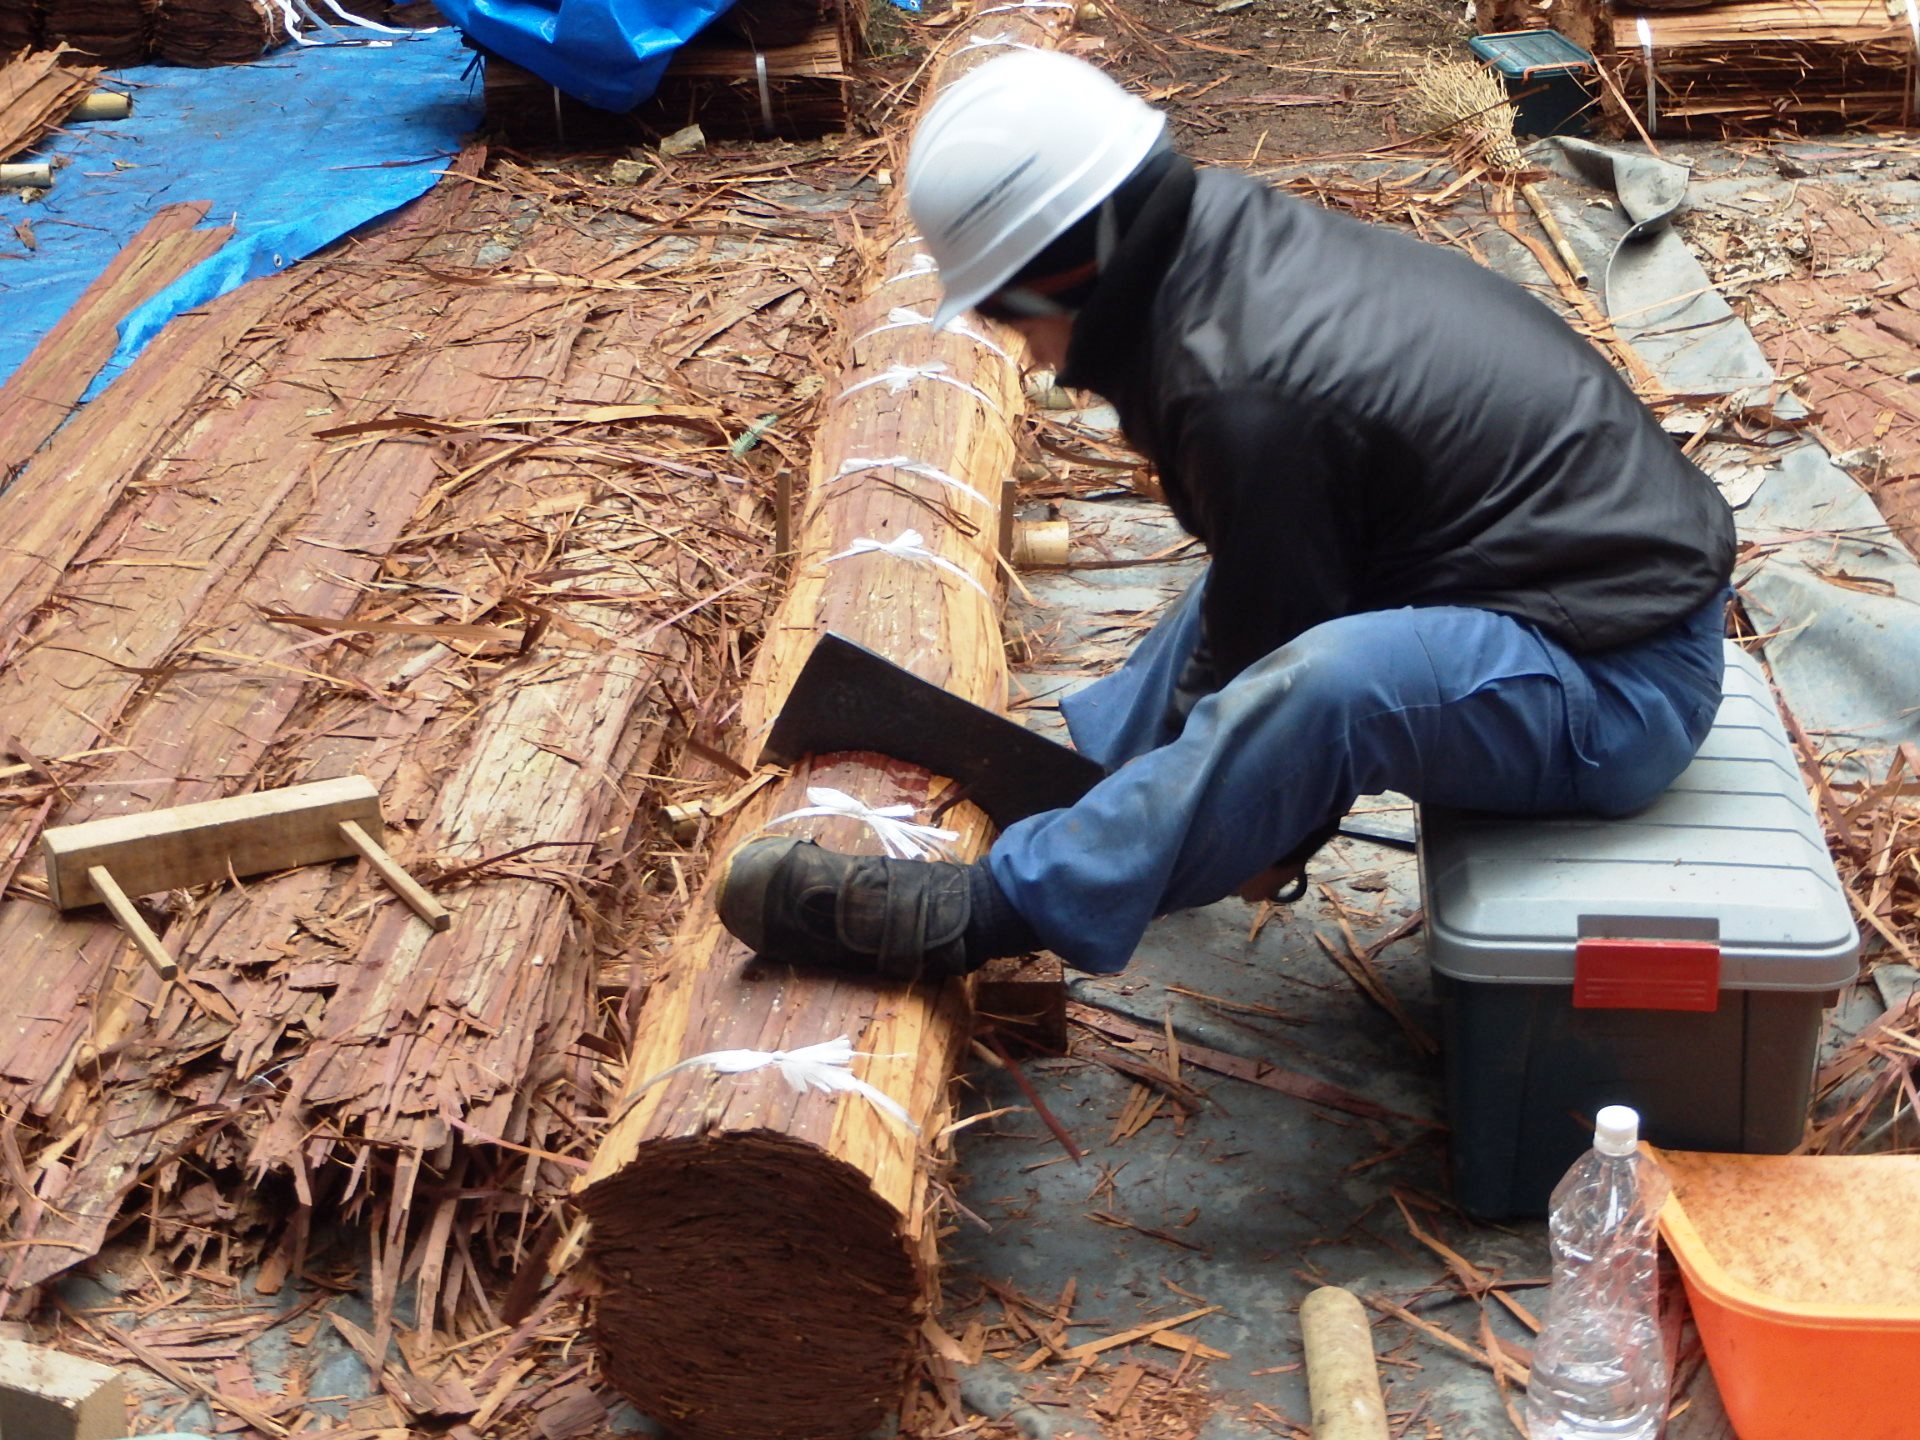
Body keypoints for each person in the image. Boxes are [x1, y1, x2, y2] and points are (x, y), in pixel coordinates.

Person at [715, 49, 1736, 982]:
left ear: (1071, 264)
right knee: (1244, 590)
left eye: (1004, 313)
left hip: (1618, 682)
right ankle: (1106, 793)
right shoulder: (1221, 244)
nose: (1023, 351)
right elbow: (1261, 591)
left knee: (1337, 683)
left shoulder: (1246, 393)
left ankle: (987, 910)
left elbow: (1284, 651)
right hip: (1539, 590)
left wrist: (1271, 832)